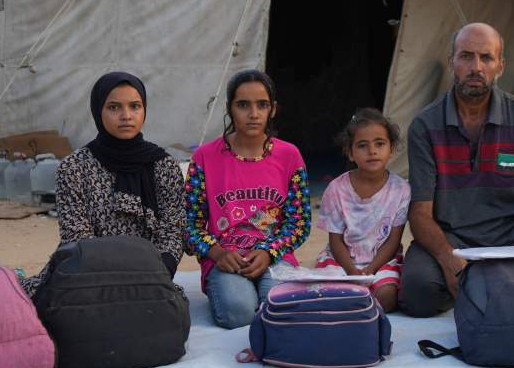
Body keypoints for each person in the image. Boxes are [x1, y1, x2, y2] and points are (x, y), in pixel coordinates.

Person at [402, 22, 514, 317]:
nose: (476, 67)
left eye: (486, 58)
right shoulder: (424, 126)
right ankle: (494, 283)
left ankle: (483, 285)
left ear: (500, 66)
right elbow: (420, 212)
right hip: (452, 238)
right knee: (419, 292)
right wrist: (446, 258)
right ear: (451, 63)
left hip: (512, 236)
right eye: (466, 56)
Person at [30, 72, 184, 292]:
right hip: (87, 275)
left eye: (135, 106)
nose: (126, 116)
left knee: (164, 315)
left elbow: (172, 230)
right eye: (114, 107)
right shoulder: (74, 167)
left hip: (151, 276)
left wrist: (158, 273)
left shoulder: (162, 165)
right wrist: (111, 278)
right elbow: (76, 236)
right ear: (97, 110)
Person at [185, 70, 311, 328]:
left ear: (273, 109)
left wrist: (269, 251)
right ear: (230, 108)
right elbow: (189, 223)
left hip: (275, 258)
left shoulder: (290, 156)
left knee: (282, 310)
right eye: (243, 105)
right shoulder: (205, 158)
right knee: (237, 313)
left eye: (261, 105)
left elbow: (299, 222)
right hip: (226, 261)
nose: (253, 114)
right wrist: (218, 253)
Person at [314, 108, 410, 313]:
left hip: (383, 260)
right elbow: (336, 239)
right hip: (342, 259)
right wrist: (351, 271)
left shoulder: (401, 190)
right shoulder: (337, 189)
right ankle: (353, 303)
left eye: (380, 144)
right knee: (330, 294)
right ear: (350, 152)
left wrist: (372, 269)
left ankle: (357, 306)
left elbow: (393, 240)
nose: (372, 151)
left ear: (391, 148)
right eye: (362, 146)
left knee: (387, 298)